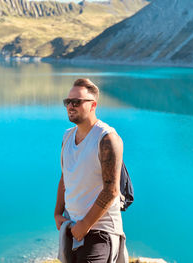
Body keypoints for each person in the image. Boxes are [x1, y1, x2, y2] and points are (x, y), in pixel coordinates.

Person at [54, 78, 128, 263]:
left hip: (100, 231)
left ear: (93, 105)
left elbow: (111, 191)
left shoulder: (107, 139)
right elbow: (65, 177)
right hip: (72, 226)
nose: (71, 106)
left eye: (77, 102)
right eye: (67, 102)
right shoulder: (67, 136)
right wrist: (57, 213)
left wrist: (85, 225)